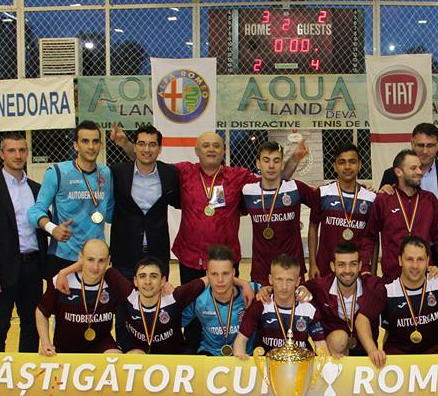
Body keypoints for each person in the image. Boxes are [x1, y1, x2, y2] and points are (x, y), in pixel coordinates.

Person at [111, 127, 306, 284]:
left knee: (225, 309)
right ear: (197, 151)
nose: (211, 149)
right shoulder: (183, 172)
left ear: (223, 151)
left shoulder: (238, 176)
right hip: (190, 257)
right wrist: (125, 144)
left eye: (216, 146)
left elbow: (275, 179)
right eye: (205, 145)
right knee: (191, 313)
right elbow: (147, 161)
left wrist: (295, 158)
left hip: (226, 259)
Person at [0, 132, 48, 353]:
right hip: (2, 271)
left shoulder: (36, 189)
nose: (17, 155)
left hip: (32, 267)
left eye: (22, 150)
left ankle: (27, 369)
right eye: (12, 150)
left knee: (31, 325)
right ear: (1, 154)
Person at [355, 236, 438, 368]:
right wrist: (372, 350)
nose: (415, 265)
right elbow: (361, 320)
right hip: (398, 357)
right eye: (409, 259)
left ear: (427, 261)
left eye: (420, 259)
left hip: (435, 355)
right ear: (400, 260)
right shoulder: (387, 288)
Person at [29, 120, 114, 279]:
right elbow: (35, 212)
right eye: (85, 141)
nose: (91, 146)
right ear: (75, 145)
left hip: (96, 259)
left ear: (100, 145)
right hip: (64, 256)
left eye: (95, 141)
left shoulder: (106, 173)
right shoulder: (57, 172)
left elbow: (109, 213)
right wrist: (53, 228)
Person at [361, 149, 438, 281]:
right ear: (398, 172)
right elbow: (369, 237)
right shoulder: (384, 200)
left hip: (424, 276)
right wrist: (365, 269)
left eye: (420, 167)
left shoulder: (430, 200)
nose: (419, 172)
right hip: (392, 277)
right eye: (413, 168)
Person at [241, 141, 317, 286]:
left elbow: (324, 201)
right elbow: (234, 213)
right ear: (258, 164)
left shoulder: (295, 188)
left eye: (276, 161)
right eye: (266, 160)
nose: (271, 166)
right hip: (262, 271)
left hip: (293, 270)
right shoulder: (248, 192)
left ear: (282, 165)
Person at [379, 121, 438, 254]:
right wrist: (382, 193)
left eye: (430, 145)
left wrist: (435, 233)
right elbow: (383, 215)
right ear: (412, 144)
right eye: (420, 145)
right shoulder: (392, 174)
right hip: (403, 252)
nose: (425, 151)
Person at [109, 124, 180, 278]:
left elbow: (181, 201)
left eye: (152, 144)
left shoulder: (170, 174)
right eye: (141, 144)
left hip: (158, 254)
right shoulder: (117, 173)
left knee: (158, 294)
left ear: (159, 149)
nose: (146, 149)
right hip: (124, 255)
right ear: (134, 147)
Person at [36, 239, 128, 355]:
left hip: (101, 345)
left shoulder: (114, 283)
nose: (95, 267)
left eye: (101, 261)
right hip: (65, 349)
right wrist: (45, 343)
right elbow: (41, 312)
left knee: (115, 356)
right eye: (90, 259)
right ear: (81, 258)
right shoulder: (61, 281)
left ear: (108, 261)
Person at [233, 253, 328, 357]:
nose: (284, 286)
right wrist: (240, 356)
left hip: (300, 363)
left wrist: (326, 362)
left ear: (298, 281)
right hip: (267, 363)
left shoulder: (308, 309)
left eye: (290, 280)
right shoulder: (261, 306)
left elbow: (321, 345)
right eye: (279, 279)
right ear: (270, 279)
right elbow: (241, 339)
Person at [308, 143, 378, 279]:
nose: (347, 167)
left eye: (352, 162)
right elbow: (313, 226)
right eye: (342, 162)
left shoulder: (371, 198)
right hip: (325, 267)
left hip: (356, 269)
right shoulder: (322, 193)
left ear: (360, 165)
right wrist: (312, 263)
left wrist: (373, 270)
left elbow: (374, 238)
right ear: (334, 166)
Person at [304, 241, 381, 357]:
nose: (347, 270)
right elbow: (295, 285)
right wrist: (301, 290)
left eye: (353, 264)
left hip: (366, 352)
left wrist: (373, 351)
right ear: (332, 266)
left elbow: (363, 320)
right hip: (335, 350)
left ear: (360, 265)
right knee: (339, 339)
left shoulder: (373, 287)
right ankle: (332, 368)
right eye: (341, 265)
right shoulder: (321, 287)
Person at [182, 244, 261, 356]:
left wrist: (267, 290)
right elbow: (173, 321)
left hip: (245, 355)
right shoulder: (198, 298)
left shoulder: (252, 291)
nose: (220, 280)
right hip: (209, 353)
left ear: (233, 273)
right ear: (207, 274)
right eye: (214, 274)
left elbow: (279, 290)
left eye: (225, 273)